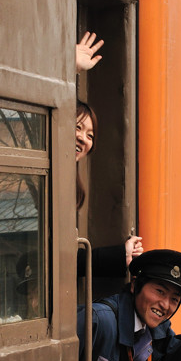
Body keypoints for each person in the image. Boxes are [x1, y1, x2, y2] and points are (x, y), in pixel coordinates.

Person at [75, 32, 143, 274]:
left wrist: (120, 255)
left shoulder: (73, 185)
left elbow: (64, 258)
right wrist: (69, 67)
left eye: (90, 135)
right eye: (77, 127)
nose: (83, 138)